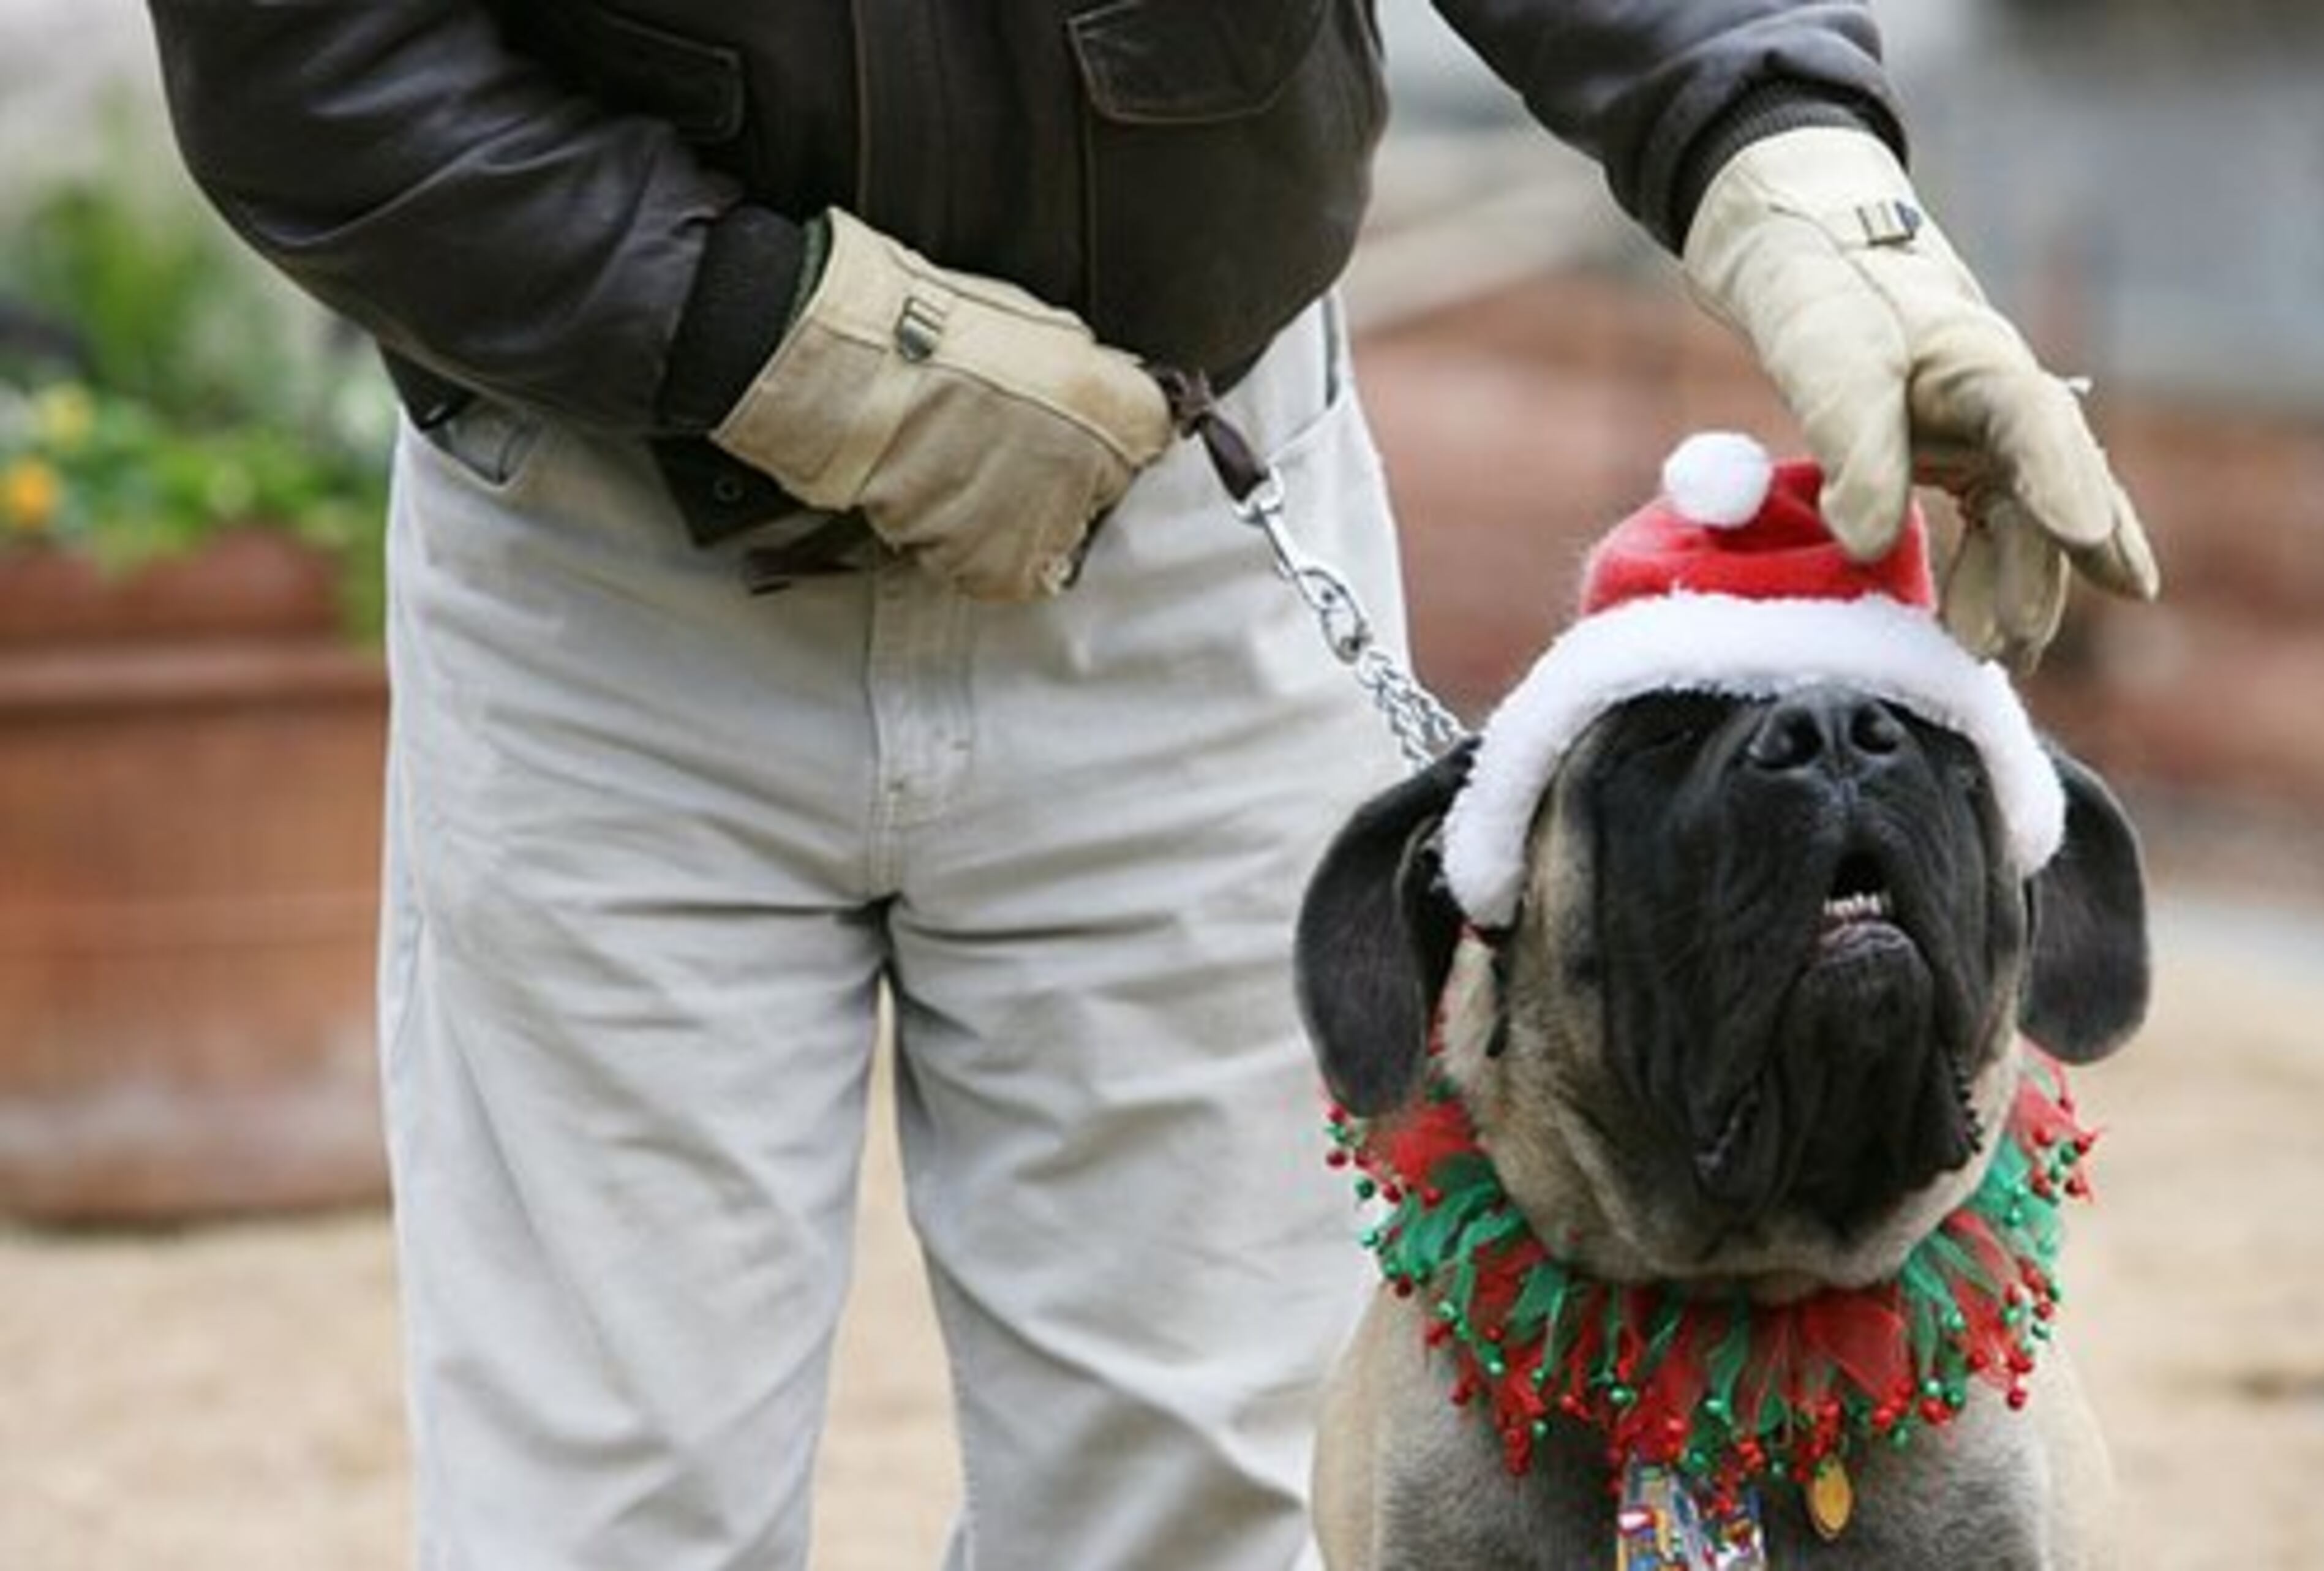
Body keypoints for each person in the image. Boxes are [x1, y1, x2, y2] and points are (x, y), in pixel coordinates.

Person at [141, 4, 2157, 1568]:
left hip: (1190, 491)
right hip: (609, 543)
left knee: (1197, 1506)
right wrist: (764, 336)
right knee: (601, 1512)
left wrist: (1779, 148)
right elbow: (312, 61)